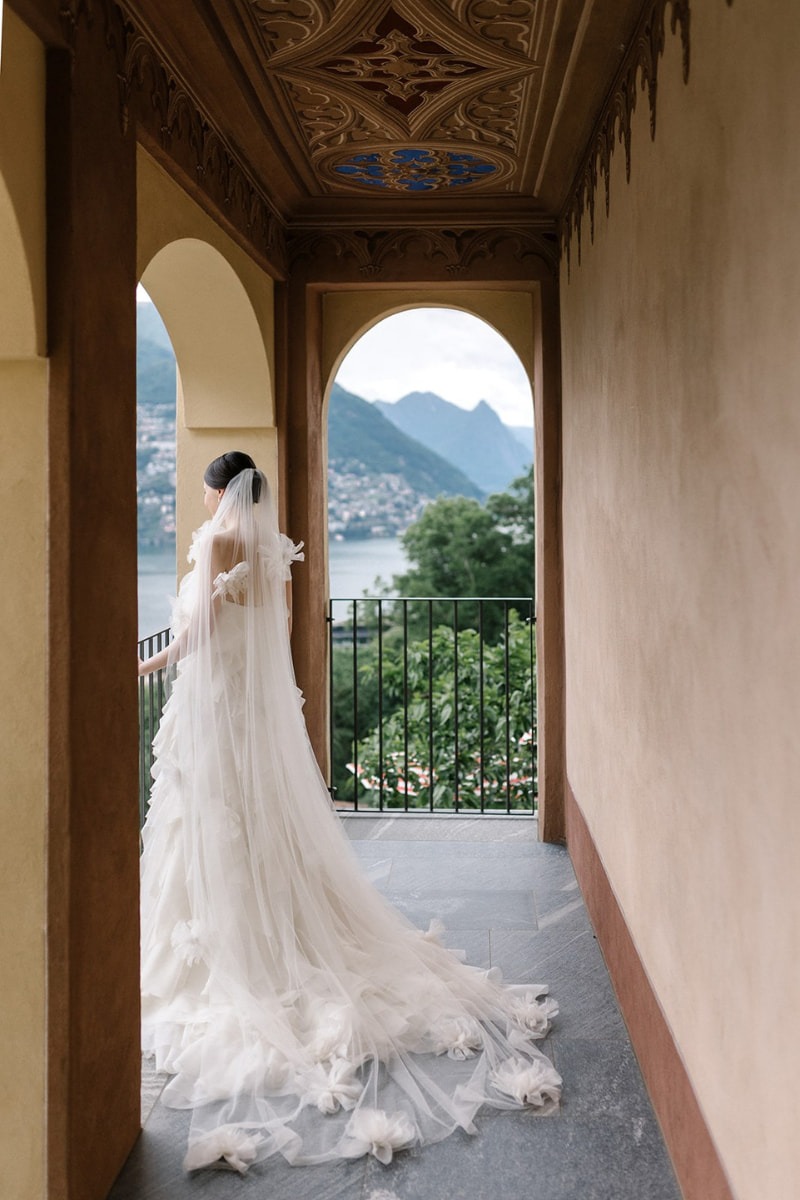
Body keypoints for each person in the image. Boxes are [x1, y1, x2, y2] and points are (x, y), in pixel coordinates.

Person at [137, 451, 561, 1174]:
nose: (202, 504)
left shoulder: (216, 543)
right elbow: (270, 635)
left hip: (214, 713)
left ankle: (225, 953)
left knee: (207, 827)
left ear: (217, 492)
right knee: (255, 829)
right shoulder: (272, 549)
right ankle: (276, 932)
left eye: (204, 493)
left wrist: (143, 664)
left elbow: (198, 636)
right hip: (251, 722)